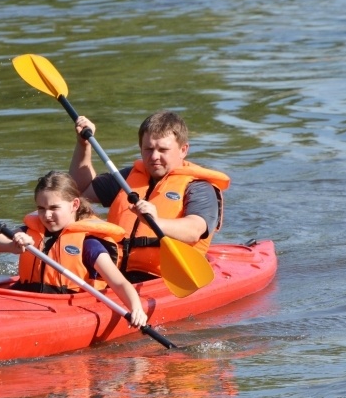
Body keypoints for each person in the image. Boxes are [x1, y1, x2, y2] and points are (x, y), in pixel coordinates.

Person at [69, 110, 230, 282]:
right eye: (148, 149)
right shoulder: (127, 178)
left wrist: (155, 221)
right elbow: (77, 191)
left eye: (163, 150)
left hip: (164, 279)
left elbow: (194, 230)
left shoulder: (199, 187)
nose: (154, 157)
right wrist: (83, 145)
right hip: (114, 276)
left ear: (183, 150)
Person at [0, 171, 148, 327]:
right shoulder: (31, 231)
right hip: (28, 299)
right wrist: (11, 245)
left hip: (66, 306)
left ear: (74, 204)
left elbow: (119, 283)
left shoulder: (88, 244)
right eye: (41, 209)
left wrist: (136, 308)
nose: (46, 215)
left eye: (54, 208)